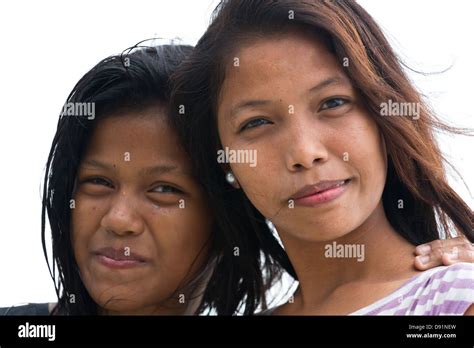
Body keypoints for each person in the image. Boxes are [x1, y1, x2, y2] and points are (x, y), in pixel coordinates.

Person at [170, 0, 474, 315]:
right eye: (257, 122)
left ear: (385, 116)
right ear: (225, 162)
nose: (305, 152)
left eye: (333, 103)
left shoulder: (454, 302)